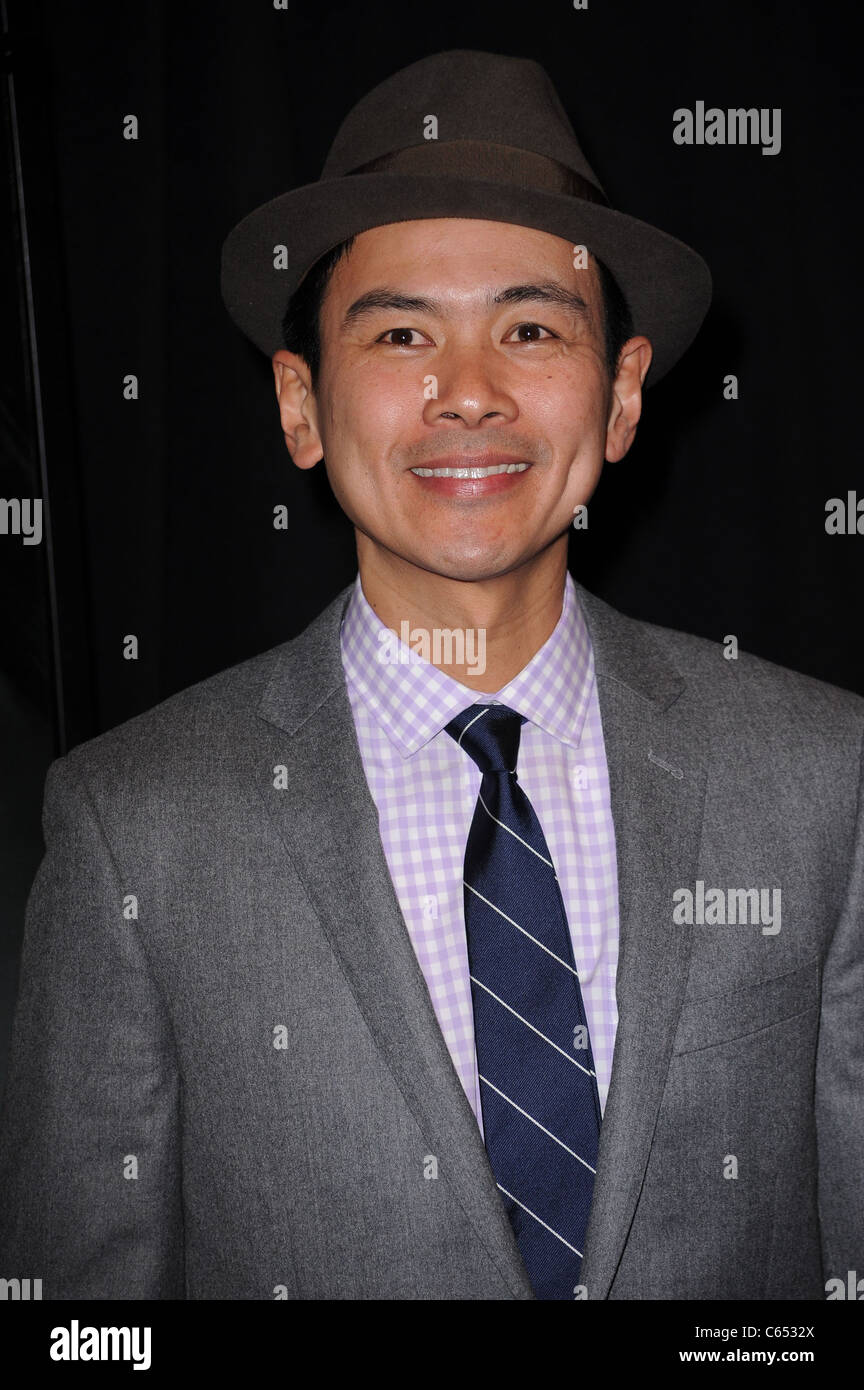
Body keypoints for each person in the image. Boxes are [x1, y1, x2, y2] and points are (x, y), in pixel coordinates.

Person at [0, 49, 861, 1301]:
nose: (468, 392)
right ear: (301, 404)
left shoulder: (822, 778)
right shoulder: (133, 826)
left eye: (529, 327)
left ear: (620, 398)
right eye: (402, 331)